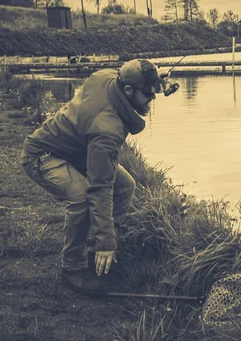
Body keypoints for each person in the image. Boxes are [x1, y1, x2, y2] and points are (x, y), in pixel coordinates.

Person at [21, 59, 170, 294]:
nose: (152, 99)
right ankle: (74, 268)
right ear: (128, 91)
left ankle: (96, 255)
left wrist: (159, 84)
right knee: (81, 196)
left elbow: (130, 75)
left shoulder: (107, 77)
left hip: (77, 149)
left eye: (154, 93)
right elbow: (100, 188)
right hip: (43, 155)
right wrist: (106, 241)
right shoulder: (106, 130)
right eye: (147, 95)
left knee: (125, 186)